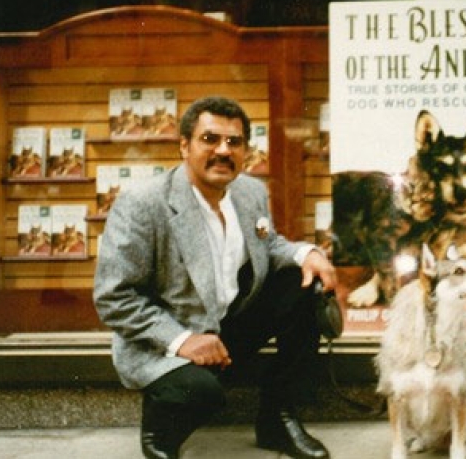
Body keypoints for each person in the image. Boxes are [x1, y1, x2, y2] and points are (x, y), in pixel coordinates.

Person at [93, 96, 337, 459]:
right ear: (184, 146)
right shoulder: (142, 204)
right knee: (201, 393)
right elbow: (113, 297)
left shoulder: (250, 191)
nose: (223, 150)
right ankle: (160, 428)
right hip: (166, 340)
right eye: (210, 139)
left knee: (303, 286)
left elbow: (267, 245)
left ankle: (277, 419)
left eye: (234, 142)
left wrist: (307, 253)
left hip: (225, 326)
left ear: (245, 151)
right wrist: (183, 340)